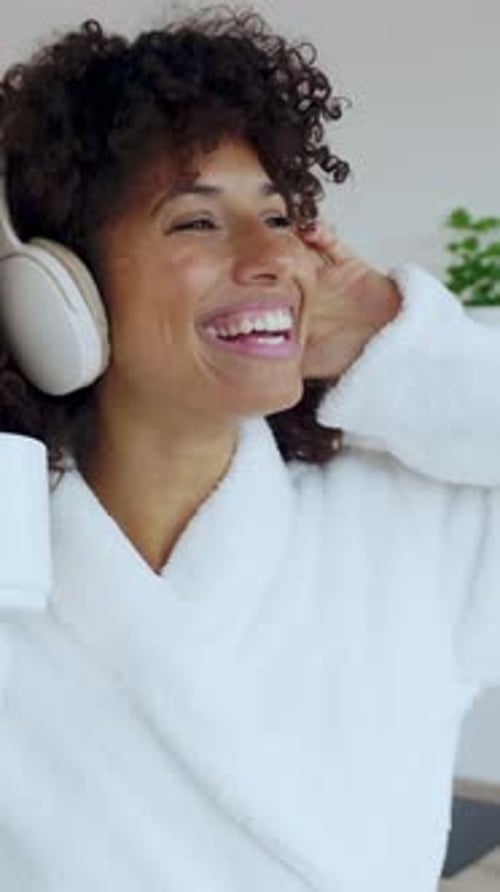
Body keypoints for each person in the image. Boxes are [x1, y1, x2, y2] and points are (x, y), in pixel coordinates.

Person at [0, 8, 498, 892]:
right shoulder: (15, 563)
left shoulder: (413, 526)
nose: (275, 255)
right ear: (59, 286)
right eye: (195, 223)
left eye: (279, 216)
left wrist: (394, 330)